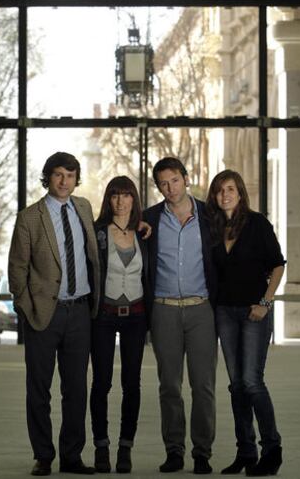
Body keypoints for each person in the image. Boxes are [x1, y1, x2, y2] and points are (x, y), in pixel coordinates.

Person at [8, 151, 100, 477]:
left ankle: (72, 457)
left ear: (77, 179)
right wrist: (26, 305)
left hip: (80, 313)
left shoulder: (85, 208)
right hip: (44, 313)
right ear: (48, 177)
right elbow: (17, 268)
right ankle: (43, 456)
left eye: (71, 175)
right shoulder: (30, 217)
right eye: (59, 175)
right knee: (39, 389)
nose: (65, 181)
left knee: (76, 390)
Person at [205, 169, 285, 477]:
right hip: (225, 312)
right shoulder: (214, 228)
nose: (225, 195)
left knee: (252, 382)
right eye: (220, 190)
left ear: (240, 194)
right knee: (236, 385)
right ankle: (246, 452)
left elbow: (277, 265)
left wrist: (265, 303)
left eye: (231, 190)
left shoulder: (257, 224)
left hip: (254, 312)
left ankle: (272, 449)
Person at [143, 157, 218, 475]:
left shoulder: (210, 216)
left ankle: (202, 452)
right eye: (162, 183)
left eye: (174, 180)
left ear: (186, 179)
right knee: (169, 385)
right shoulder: (149, 219)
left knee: (203, 385)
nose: (169, 188)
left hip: (202, 309)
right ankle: (174, 450)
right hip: (164, 310)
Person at [90, 176, 150, 474]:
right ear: (108, 199)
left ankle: (125, 447)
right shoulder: (97, 231)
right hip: (104, 315)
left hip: (136, 316)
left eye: (126, 195)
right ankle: (101, 447)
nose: (120, 201)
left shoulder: (144, 233)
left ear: (133, 199)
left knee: (132, 383)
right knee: (101, 382)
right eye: (115, 195)